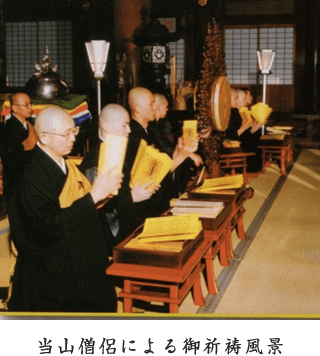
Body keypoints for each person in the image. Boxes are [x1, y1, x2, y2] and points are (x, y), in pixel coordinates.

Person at [6, 105, 123, 312]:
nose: (72, 138)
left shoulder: (66, 165)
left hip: (79, 252)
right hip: (51, 267)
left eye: (74, 131)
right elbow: (44, 227)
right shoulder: (30, 174)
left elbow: (77, 203)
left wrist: (100, 198)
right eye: (65, 133)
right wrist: (93, 197)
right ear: (44, 137)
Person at [79, 103, 160, 244]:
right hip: (110, 236)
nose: (129, 130)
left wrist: (143, 187)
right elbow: (99, 207)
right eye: (124, 125)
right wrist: (132, 197)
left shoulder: (116, 150)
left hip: (128, 221)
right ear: (106, 126)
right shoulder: (96, 157)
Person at [127, 87, 199, 213]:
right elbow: (153, 173)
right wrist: (182, 155)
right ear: (137, 108)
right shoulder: (134, 136)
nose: (155, 107)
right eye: (151, 103)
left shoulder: (149, 131)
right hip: (146, 200)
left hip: (158, 191)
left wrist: (180, 149)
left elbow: (164, 159)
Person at [0, 92, 38, 196]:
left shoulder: (31, 125)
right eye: (26, 105)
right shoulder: (6, 128)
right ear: (15, 108)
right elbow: (10, 156)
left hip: (31, 178)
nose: (30, 107)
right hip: (15, 180)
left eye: (30, 104)